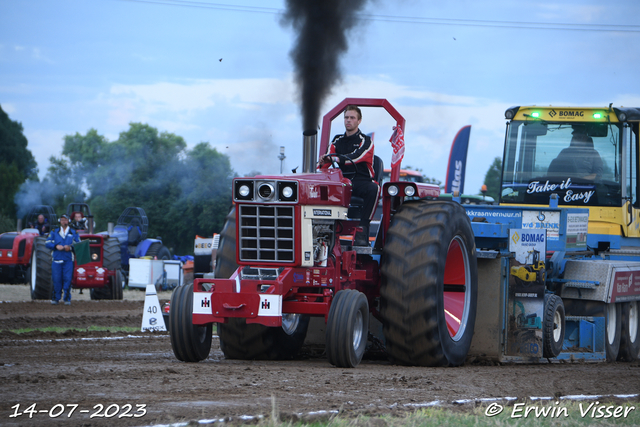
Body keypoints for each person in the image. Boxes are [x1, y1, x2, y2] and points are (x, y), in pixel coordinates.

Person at [319, 105, 379, 247]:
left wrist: (337, 159)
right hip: (342, 181)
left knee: (374, 189)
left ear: (359, 121)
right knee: (320, 188)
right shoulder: (337, 140)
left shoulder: (366, 141)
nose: (348, 120)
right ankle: (323, 229)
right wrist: (321, 165)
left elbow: (358, 156)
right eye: (346, 117)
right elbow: (328, 158)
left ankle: (362, 230)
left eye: (352, 118)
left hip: (361, 180)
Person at [45, 214, 80, 305]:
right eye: (62, 220)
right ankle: (55, 298)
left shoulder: (73, 233)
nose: (64, 221)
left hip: (68, 260)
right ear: (60, 221)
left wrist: (71, 248)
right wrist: (55, 246)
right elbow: (47, 243)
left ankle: (67, 299)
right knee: (56, 279)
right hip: (56, 260)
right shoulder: (54, 232)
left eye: (65, 220)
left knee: (68, 279)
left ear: (68, 221)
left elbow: (79, 244)